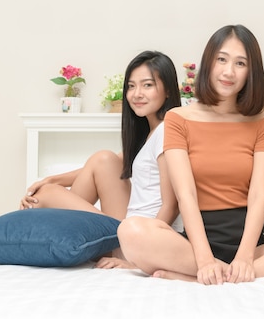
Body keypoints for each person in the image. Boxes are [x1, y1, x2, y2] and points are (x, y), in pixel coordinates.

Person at [117, 25, 264, 285]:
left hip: (253, 243)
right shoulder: (177, 118)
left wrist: (245, 258)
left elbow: (259, 195)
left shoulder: (263, 123)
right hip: (195, 242)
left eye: (240, 63)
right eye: (221, 59)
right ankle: (213, 270)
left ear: (251, 72)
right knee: (130, 230)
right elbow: (185, 195)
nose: (228, 71)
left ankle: (200, 275)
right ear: (209, 63)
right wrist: (203, 259)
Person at [19, 50, 183, 268]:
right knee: (101, 160)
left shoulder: (167, 131)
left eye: (147, 85)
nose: (137, 94)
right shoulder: (149, 135)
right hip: (130, 229)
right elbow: (107, 165)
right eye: (131, 86)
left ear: (169, 90)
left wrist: (138, 258)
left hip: (142, 239)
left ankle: (13, 247)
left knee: (44, 197)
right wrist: (51, 179)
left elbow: (172, 205)